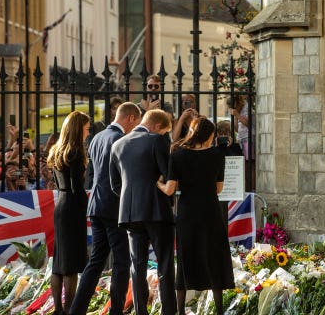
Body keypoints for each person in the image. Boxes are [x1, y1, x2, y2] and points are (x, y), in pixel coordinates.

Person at [157, 117, 235, 315]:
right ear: (209, 135)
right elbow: (219, 189)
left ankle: (181, 310)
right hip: (210, 211)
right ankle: (219, 310)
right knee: (214, 256)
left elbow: (169, 190)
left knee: (185, 257)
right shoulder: (217, 155)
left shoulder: (177, 154)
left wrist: (157, 182)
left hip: (187, 212)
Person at [69, 103, 142, 315]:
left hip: (96, 205)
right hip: (113, 207)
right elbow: (120, 177)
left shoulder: (97, 137)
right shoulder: (120, 139)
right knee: (121, 261)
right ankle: (116, 311)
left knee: (96, 261)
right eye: (136, 123)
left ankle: (77, 309)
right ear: (129, 118)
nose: (134, 128)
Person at [110, 109, 175, 315]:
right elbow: (169, 174)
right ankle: (168, 311)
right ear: (157, 126)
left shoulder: (118, 144)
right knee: (164, 264)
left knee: (137, 267)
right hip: (157, 210)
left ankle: (141, 312)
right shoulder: (156, 141)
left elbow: (115, 185)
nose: (164, 135)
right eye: (165, 131)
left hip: (130, 213)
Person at [46, 111, 91, 315]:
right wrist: (87, 207)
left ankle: (58, 309)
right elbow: (76, 186)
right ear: (78, 128)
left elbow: (59, 183)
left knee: (59, 262)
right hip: (72, 206)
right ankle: (69, 308)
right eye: (86, 128)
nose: (88, 132)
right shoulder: (75, 151)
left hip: (61, 204)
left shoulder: (57, 150)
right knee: (70, 263)